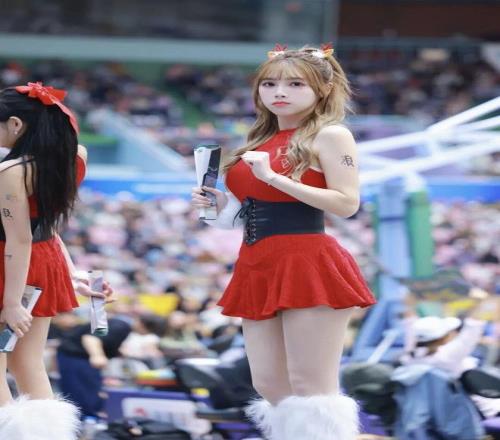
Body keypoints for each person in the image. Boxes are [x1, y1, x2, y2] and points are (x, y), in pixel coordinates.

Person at [192, 44, 376, 439]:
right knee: (269, 384)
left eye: (295, 84)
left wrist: (275, 178)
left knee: (312, 386)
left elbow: (346, 203)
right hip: (256, 261)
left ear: (322, 89)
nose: (279, 92)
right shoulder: (258, 140)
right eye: (270, 83)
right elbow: (249, 212)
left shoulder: (331, 134)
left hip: (307, 260)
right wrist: (221, 205)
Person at [0, 82, 112, 440]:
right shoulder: (75, 156)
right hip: (44, 260)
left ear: (15, 124)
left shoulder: (12, 170)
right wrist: (71, 271)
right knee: (27, 362)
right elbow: (46, 227)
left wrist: (11, 302)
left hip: (10, 265)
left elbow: (18, 238)